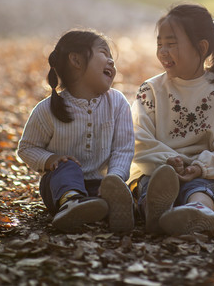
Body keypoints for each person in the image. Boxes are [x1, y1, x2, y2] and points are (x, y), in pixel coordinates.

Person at [129, 3, 214, 238]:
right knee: (150, 185)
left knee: (204, 189)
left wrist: (200, 167)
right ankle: (155, 212)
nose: (163, 51)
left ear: (202, 47)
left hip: (204, 172)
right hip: (158, 170)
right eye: (159, 44)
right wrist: (167, 161)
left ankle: (198, 212)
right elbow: (138, 137)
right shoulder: (151, 90)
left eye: (171, 44)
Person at [17, 30, 135, 233]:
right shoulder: (47, 109)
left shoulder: (117, 103)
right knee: (68, 166)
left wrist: (113, 179)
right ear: (76, 60)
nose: (112, 62)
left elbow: (123, 149)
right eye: (104, 53)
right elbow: (27, 148)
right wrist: (51, 159)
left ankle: (117, 206)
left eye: (112, 57)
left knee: (116, 190)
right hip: (57, 187)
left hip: (99, 184)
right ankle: (71, 204)